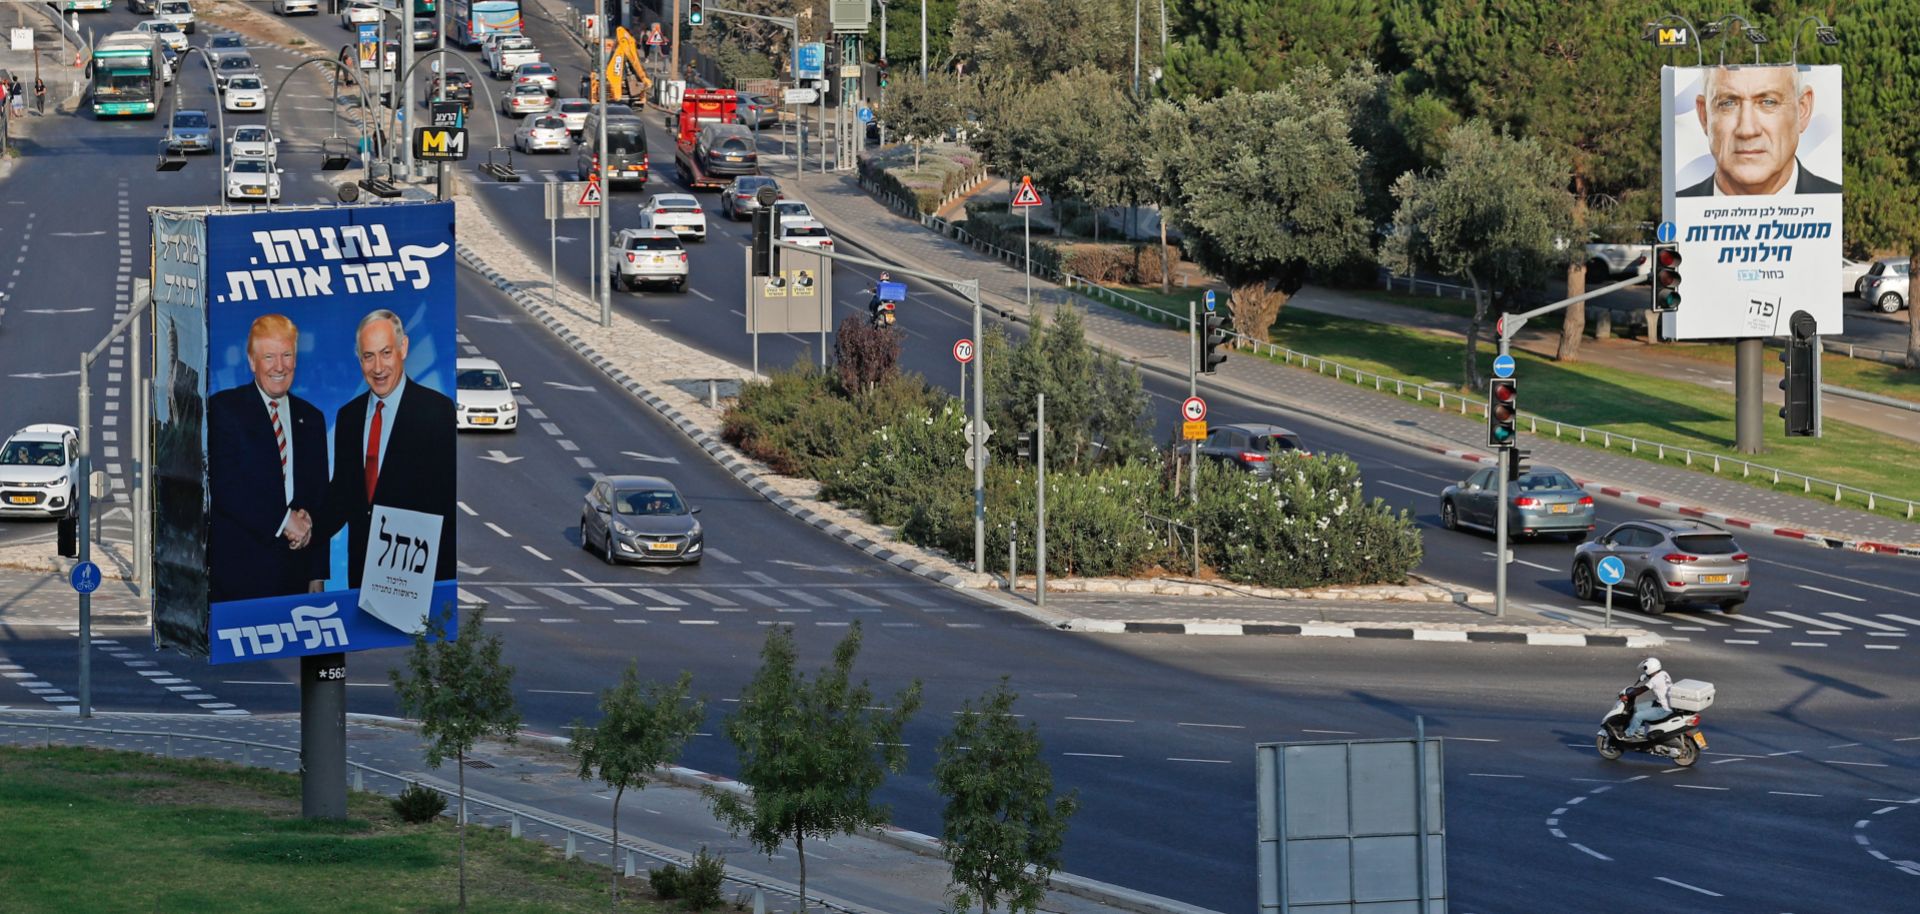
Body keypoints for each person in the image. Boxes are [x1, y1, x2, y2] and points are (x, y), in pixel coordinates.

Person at [309, 310, 457, 589]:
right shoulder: (348, 417)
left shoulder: (436, 412)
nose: (378, 368)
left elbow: (443, 505)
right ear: (359, 359)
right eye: (368, 356)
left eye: (386, 353)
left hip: (417, 579)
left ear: (403, 348)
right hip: (361, 580)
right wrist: (307, 527)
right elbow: (341, 495)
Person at [206, 315, 330, 602]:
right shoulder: (224, 411)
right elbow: (226, 486)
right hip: (238, 577)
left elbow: (319, 496)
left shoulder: (311, 419)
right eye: (269, 356)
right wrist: (285, 521)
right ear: (252, 361)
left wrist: (317, 573)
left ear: (296, 359)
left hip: (297, 575)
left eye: (287, 355)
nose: (279, 366)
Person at [1679, 65, 1840, 197]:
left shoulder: (1837, 205)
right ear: (1704, 116)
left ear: (1802, 110)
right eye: (1728, 103)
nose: (1747, 130)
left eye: (1768, 102)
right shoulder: (1679, 211)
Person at [1625, 656, 1673, 739]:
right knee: (1637, 708)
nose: (1644, 670)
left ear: (1649, 668)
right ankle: (1640, 729)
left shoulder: (1654, 680)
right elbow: (1655, 677)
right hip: (1664, 703)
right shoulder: (1664, 673)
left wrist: (1629, 694)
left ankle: (1628, 734)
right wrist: (1646, 676)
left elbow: (1641, 690)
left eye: (1645, 668)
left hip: (1664, 709)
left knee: (1637, 716)